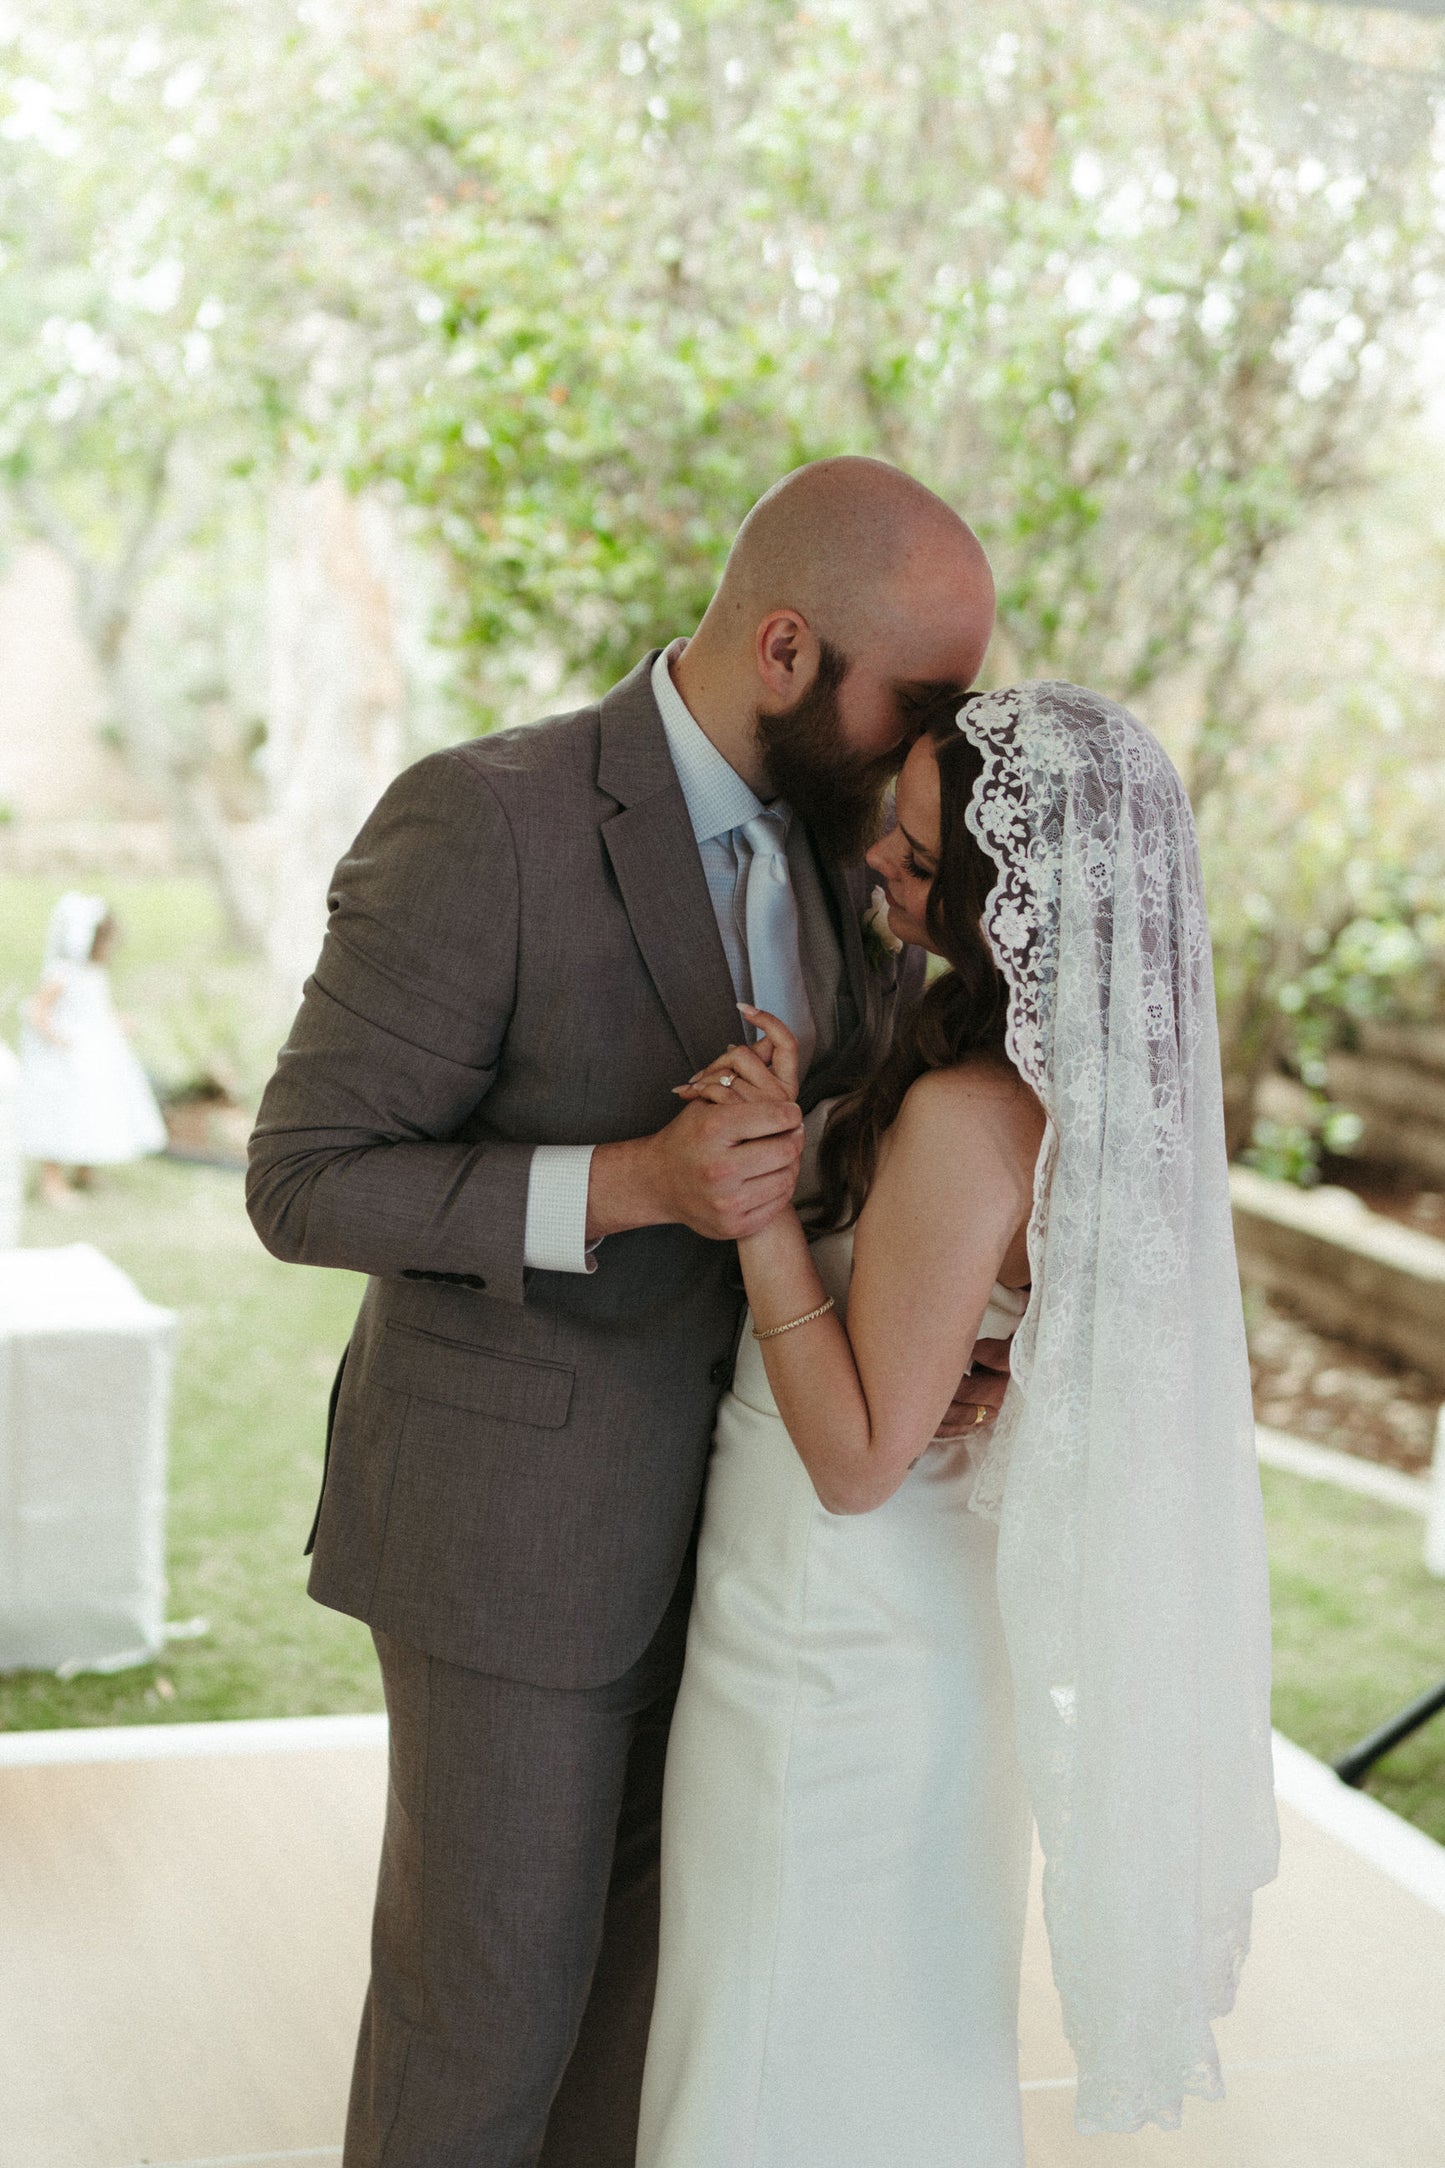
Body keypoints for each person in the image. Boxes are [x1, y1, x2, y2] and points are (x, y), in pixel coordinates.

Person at [245, 457, 1003, 2167]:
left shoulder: (864, 852)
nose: (940, 736)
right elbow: (302, 1177)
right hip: (518, 1544)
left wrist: (944, 1324)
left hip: (759, 1573)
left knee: (639, 2057)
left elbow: (852, 1154)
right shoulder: (482, 819)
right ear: (791, 645)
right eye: (925, 695)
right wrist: (634, 1183)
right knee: (483, 2038)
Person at [637, 683, 1281, 2161]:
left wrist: (758, 1214)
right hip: (921, 1635)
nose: (876, 862)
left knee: (768, 2040)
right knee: (862, 2042)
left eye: (921, 862)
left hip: (829, 1632)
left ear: (1010, 906)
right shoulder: (1103, 1099)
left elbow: (861, 1460)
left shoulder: (968, 1117)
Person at [19, 891, 167, 1206]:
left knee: (94, 1111)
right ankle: (52, 1180)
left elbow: (95, 1011)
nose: (108, 949)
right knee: (62, 1115)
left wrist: (119, 1022)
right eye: (103, 941)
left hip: (95, 1057)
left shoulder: (94, 974)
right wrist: (58, 1038)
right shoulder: (62, 973)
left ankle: (85, 1171)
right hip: (66, 1060)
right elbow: (37, 1010)